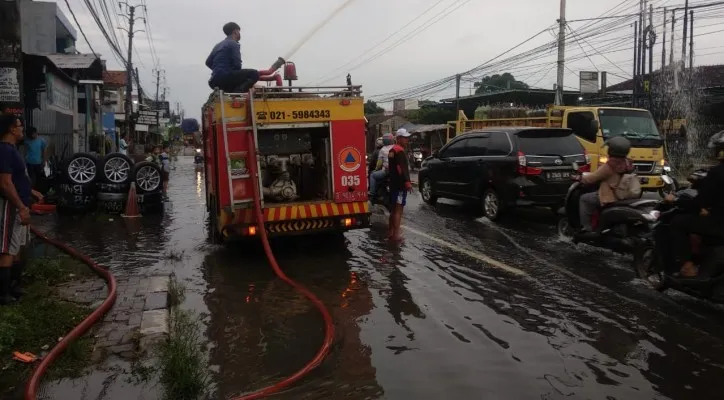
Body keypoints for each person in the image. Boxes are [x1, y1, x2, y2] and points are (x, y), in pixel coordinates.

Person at [665, 134, 724, 278]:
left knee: (678, 222)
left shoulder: (717, 172)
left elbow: (700, 202)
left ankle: (687, 265)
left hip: (719, 224)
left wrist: (675, 201)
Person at [0, 114, 43, 305]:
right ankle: (3, 294)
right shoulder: (4, 151)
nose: (22, 129)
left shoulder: (12, 150)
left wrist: (31, 191)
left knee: (16, 248)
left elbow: (16, 179)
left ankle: (14, 287)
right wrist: (20, 206)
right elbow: (5, 183)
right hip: (10, 206)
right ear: (11, 129)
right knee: (7, 249)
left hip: (20, 204)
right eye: (19, 126)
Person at [578, 136, 634, 233]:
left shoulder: (610, 166)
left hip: (609, 196)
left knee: (584, 199)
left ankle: (586, 228)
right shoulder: (627, 163)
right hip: (623, 195)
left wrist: (579, 178)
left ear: (612, 150)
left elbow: (592, 178)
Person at [206, 22, 260, 93]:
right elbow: (237, 64)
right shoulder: (233, 43)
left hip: (213, 82)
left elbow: (208, 62)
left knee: (233, 80)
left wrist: (218, 70)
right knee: (254, 74)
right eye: (239, 31)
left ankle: (233, 92)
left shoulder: (217, 45)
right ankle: (238, 93)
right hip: (226, 78)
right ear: (235, 31)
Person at [387, 128, 413, 241]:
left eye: (407, 138)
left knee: (394, 210)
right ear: (398, 139)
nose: (407, 140)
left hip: (393, 184)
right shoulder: (400, 151)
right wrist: (407, 182)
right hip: (399, 185)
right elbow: (402, 169)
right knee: (398, 210)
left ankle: (391, 231)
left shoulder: (392, 150)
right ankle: (396, 234)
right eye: (405, 138)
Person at [369, 133, 395, 198]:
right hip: (395, 171)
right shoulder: (395, 147)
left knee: (372, 175)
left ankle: (372, 193)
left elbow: (379, 163)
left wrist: (376, 169)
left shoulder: (382, 150)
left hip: (386, 171)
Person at [23, 126, 46, 191]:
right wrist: (24, 160)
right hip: (29, 163)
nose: (33, 136)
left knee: (39, 178)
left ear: (36, 133)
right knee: (31, 178)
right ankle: (32, 191)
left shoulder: (41, 140)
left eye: (33, 134)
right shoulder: (26, 141)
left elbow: (43, 151)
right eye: (31, 135)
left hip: (38, 162)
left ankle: (39, 191)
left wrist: (44, 161)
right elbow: (24, 151)